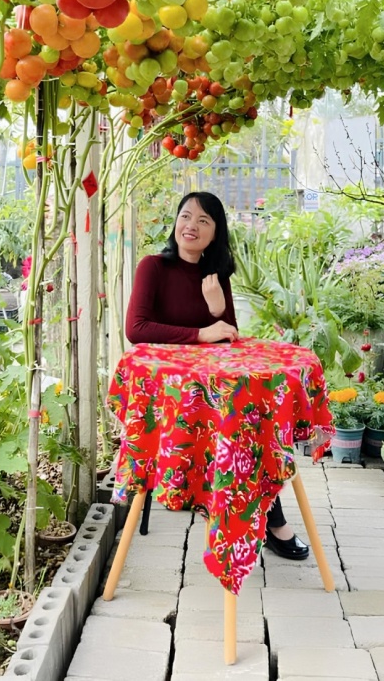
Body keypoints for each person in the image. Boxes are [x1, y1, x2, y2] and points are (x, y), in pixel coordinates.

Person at [125, 190, 309, 560]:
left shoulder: (216, 275)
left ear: (214, 234)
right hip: (171, 395)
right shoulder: (153, 267)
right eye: (185, 216)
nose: (191, 225)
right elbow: (137, 329)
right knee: (235, 421)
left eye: (203, 221)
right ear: (175, 222)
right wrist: (198, 334)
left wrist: (216, 310)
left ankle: (262, 514)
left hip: (212, 388)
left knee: (249, 420)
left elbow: (229, 337)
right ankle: (259, 516)